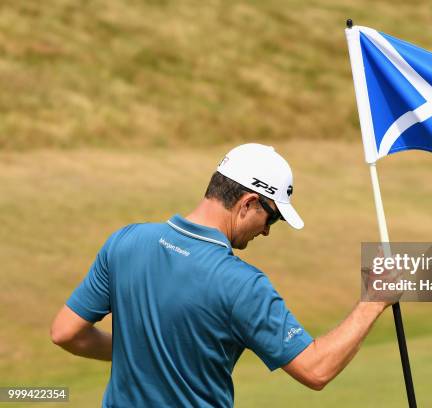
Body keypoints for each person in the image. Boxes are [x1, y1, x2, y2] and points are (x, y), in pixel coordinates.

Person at [51, 143, 391, 407]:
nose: (268, 232)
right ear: (247, 203)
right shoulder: (243, 285)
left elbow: (66, 332)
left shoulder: (126, 241)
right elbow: (316, 369)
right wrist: (372, 302)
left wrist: (140, 350)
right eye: (271, 218)